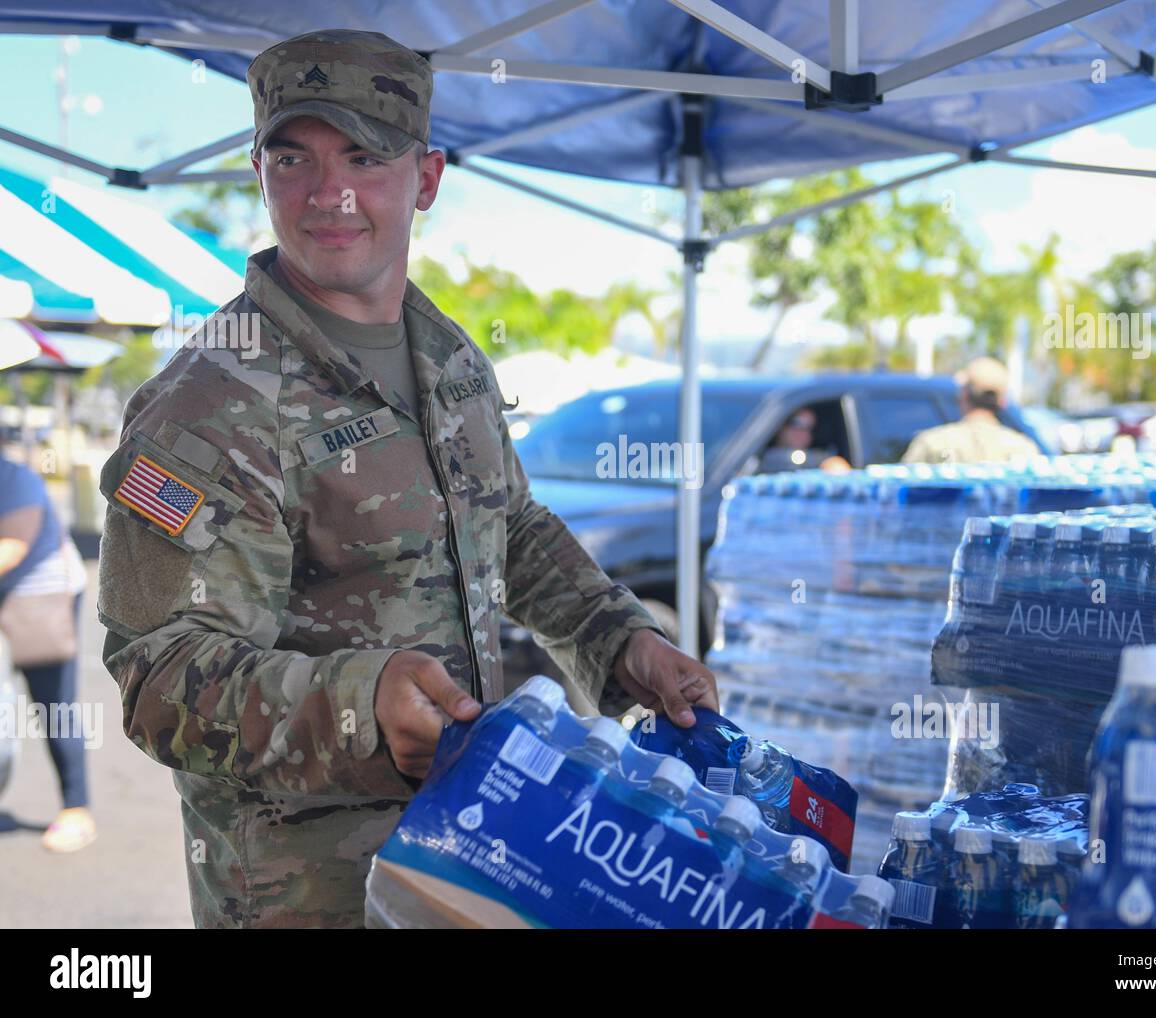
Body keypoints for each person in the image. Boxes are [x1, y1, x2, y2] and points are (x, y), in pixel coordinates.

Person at [96, 29, 718, 929]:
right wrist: (362, 703)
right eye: (293, 157)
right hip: (310, 897)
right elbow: (160, 678)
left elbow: (514, 527)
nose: (328, 193)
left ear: (425, 178)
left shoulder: (448, 356)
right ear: (259, 171)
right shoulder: (209, 404)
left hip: (468, 866)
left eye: (364, 155)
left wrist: (620, 641)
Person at [0, 447, 93, 852]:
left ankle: (77, 810)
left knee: (54, 707)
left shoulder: (14, 478)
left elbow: (13, 545)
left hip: (39, 600)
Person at [901, 356, 1041, 464]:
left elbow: (899, 495)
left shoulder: (932, 444)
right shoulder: (1024, 449)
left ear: (963, 395)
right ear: (1002, 401)